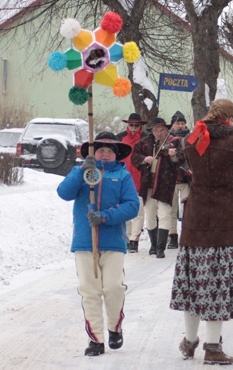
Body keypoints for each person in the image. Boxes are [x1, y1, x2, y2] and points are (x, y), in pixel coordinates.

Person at [170, 99, 233, 365]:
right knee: (217, 284)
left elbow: (188, 160)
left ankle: (189, 341)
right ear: (229, 118)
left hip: (196, 217)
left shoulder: (192, 138)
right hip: (224, 218)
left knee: (195, 284)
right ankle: (213, 347)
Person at [57, 132, 140, 356]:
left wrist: (104, 216)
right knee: (90, 291)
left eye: (109, 150)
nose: (105, 154)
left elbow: (132, 206)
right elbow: (63, 193)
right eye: (100, 150)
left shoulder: (123, 176)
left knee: (113, 288)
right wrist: (81, 170)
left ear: (116, 155)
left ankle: (114, 327)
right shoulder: (83, 173)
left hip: (113, 242)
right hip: (85, 242)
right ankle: (96, 339)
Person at [131, 117, 184, 258]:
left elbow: (181, 157)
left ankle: (161, 248)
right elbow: (134, 156)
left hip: (165, 184)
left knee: (164, 214)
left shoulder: (174, 141)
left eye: (162, 130)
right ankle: (153, 245)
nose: (159, 133)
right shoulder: (144, 143)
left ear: (167, 130)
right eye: (156, 130)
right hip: (148, 183)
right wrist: (144, 159)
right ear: (152, 131)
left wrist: (174, 155)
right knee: (150, 215)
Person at [115, 113, 147, 253]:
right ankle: (127, 238)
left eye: (136, 125)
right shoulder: (120, 137)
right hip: (123, 178)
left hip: (140, 178)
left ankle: (134, 239)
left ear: (141, 126)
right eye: (131, 125)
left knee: (139, 211)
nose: (133, 128)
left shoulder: (146, 138)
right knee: (125, 210)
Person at [166, 111, 191, 250]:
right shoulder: (167, 138)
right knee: (171, 210)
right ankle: (173, 236)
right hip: (171, 178)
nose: (180, 126)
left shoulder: (191, 137)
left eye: (182, 123)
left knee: (186, 209)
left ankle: (186, 236)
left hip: (187, 178)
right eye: (178, 123)